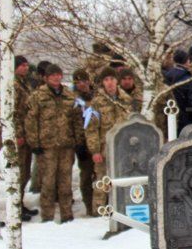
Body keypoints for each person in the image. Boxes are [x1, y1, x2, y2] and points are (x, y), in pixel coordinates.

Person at [25, 64, 83, 222]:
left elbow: (77, 120)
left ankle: (67, 215)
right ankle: (47, 216)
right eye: (52, 75)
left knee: (65, 182)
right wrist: (34, 143)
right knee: (48, 182)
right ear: (46, 78)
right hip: (47, 146)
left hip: (66, 145)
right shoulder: (37, 96)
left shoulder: (70, 95)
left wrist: (78, 141)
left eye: (58, 74)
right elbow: (31, 121)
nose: (56, 78)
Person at [84, 67, 134, 211]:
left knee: (123, 179)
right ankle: (98, 210)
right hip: (104, 149)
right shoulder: (96, 103)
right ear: (103, 83)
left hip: (124, 149)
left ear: (117, 81)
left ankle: (122, 209)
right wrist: (95, 151)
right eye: (106, 80)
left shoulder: (126, 100)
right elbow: (91, 129)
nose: (110, 83)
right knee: (102, 180)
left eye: (112, 79)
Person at [12, 55, 38, 220]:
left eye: (27, 65)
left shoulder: (24, 83)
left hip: (28, 132)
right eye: (22, 65)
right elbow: (13, 112)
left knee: (25, 172)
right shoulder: (13, 85)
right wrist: (18, 133)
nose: (25, 68)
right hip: (20, 134)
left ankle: (19, 204)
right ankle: (15, 207)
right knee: (19, 172)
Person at [72, 69, 96, 216]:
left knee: (100, 175)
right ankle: (89, 206)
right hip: (83, 143)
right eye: (78, 82)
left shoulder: (98, 96)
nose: (82, 84)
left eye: (84, 81)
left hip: (98, 141)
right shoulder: (73, 100)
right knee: (86, 176)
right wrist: (79, 143)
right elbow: (74, 123)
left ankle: (101, 204)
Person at [161, 49, 192, 132]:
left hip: (168, 115)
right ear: (186, 61)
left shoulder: (166, 77)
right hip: (186, 117)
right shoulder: (188, 79)